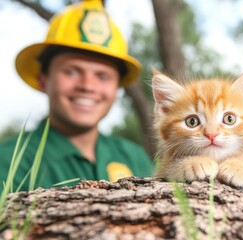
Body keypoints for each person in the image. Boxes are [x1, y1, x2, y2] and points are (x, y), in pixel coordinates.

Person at [0, 0, 153, 192]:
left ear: (116, 88)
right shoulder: (8, 162)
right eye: (71, 72)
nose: (87, 86)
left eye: (102, 76)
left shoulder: (134, 156)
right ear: (44, 79)